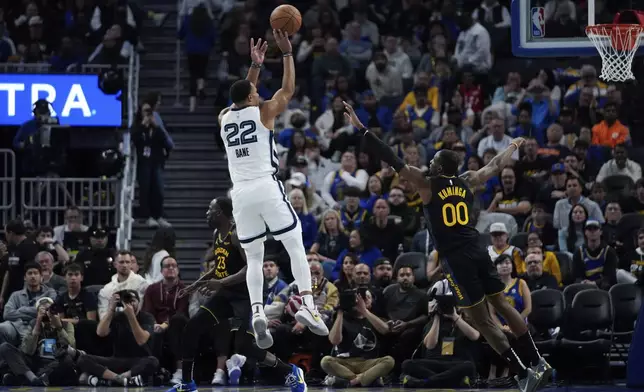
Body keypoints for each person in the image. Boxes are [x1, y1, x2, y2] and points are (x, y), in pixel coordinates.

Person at [342, 101, 550, 392]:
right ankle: (538, 361)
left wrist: (362, 129)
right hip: (477, 247)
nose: (428, 163)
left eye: (433, 161)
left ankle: (521, 371)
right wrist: (513, 144)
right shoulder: (466, 181)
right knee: (502, 304)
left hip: (456, 258)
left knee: (482, 320)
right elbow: (494, 165)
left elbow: (391, 157)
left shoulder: (427, 184)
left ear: (439, 167)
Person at [217, 29, 328, 348]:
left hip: (239, 194)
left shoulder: (224, 117)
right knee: (295, 244)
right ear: (252, 97)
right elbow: (289, 89)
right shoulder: (264, 111)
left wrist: (254, 66)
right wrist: (288, 54)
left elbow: (241, 93)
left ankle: (256, 312)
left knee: (254, 258)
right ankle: (307, 304)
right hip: (266, 186)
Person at [167, 197, 307, 392]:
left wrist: (221, 283)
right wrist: (197, 283)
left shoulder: (237, 234)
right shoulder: (217, 233)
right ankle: (188, 383)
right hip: (227, 293)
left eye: (210, 209)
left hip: (247, 295)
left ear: (221, 213)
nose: (207, 213)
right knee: (192, 327)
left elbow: (252, 266)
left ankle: (290, 371)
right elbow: (220, 266)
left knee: (245, 346)